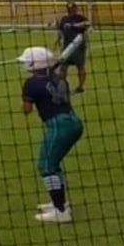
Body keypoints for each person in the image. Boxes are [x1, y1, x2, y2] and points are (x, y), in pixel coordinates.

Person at [17, 45, 85, 223]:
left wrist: (24, 99)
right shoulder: (60, 78)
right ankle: (59, 203)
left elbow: (26, 110)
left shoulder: (31, 83)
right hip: (73, 123)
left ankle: (61, 211)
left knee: (46, 166)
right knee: (52, 164)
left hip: (59, 126)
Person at [55, 3, 91, 93]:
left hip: (78, 47)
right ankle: (62, 86)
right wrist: (57, 41)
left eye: (73, 8)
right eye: (69, 8)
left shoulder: (80, 17)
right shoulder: (64, 19)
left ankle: (80, 86)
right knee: (63, 67)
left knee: (80, 67)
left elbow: (87, 24)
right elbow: (60, 31)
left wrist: (73, 25)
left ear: (76, 8)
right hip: (67, 46)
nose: (71, 10)